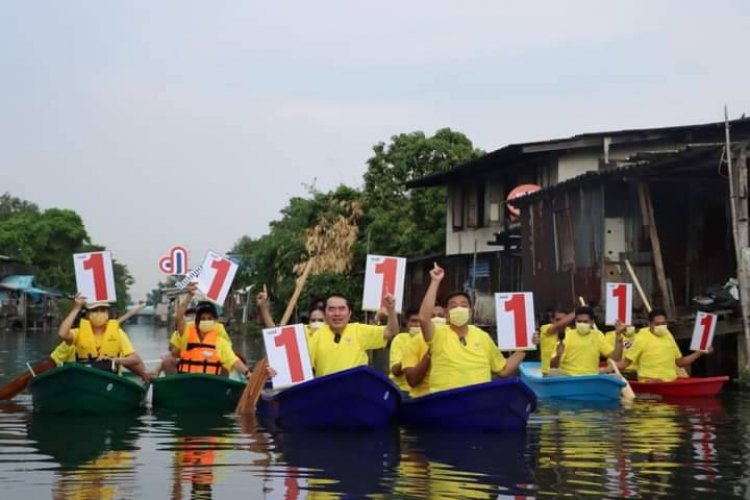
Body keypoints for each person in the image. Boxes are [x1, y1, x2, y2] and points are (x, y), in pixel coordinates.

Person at [417, 263, 527, 393]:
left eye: (464, 305)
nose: (459, 308)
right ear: (446, 313)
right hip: (445, 401)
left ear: (470, 311)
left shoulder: (483, 336)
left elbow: (503, 369)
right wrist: (435, 281)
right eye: (453, 306)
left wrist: (525, 348)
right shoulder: (438, 334)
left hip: (478, 401)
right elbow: (424, 318)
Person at [298, 292, 399, 377]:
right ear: (325, 314)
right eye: (332, 309)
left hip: (356, 392)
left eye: (342, 309)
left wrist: (391, 310)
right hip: (327, 393)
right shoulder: (317, 336)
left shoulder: (358, 330)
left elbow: (391, 331)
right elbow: (302, 368)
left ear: (349, 313)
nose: (337, 313)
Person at [56, 294, 149, 381]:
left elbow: (135, 359)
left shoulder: (118, 332)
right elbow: (62, 334)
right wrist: (76, 308)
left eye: (103, 310)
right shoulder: (78, 333)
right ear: (88, 314)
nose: (99, 313)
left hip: (111, 378)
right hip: (84, 378)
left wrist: (115, 360)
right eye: (94, 310)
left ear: (108, 313)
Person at [166, 300, 253, 380]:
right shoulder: (187, 334)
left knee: (225, 366)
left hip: (210, 382)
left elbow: (234, 360)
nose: (206, 321)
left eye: (209, 319)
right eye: (202, 319)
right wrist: (189, 296)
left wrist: (247, 373)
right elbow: (178, 318)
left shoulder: (220, 342)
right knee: (167, 361)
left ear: (215, 321)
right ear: (197, 321)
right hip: (187, 380)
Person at [616, 309, 710, 381]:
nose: (661, 326)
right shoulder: (641, 337)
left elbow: (680, 362)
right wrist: (607, 369)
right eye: (657, 324)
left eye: (663, 323)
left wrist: (700, 352)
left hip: (670, 382)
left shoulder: (668, 335)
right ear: (650, 324)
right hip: (650, 382)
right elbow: (625, 363)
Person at [549, 306, 623, 376]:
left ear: (592, 322)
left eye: (585, 322)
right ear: (575, 322)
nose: (582, 324)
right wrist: (558, 356)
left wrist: (618, 336)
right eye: (579, 321)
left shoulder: (597, 335)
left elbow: (615, 358)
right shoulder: (567, 335)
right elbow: (553, 366)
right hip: (569, 378)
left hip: (590, 378)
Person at [402, 306, 446, 397]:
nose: (437, 319)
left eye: (441, 316)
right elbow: (412, 380)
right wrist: (431, 350)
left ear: (447, 318)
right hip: (423, 397)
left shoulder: (456, 338)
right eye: (432, 316)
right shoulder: (413, 342)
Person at [256, 284, 325, 341]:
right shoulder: (302, 334)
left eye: (321, 320)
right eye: (313, 320)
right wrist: (263, 307)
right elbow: (277, 336)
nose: (317, 323)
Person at [389, 308, 422, 393]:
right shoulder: (400, 339)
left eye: (420, 321)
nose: (418, 324)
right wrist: (409, 356)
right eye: (414, 321)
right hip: (402, 389)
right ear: (407, 323)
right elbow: (395, 371)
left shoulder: (430, 340)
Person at [539, 306, 575, 375]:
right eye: (558, 320)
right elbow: (560, 325)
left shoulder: (571, 332)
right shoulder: (545, 329)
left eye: (565, 320)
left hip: (567, 373)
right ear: (551, 320)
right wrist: (579, 311)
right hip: (548, 373)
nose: (563, 323)